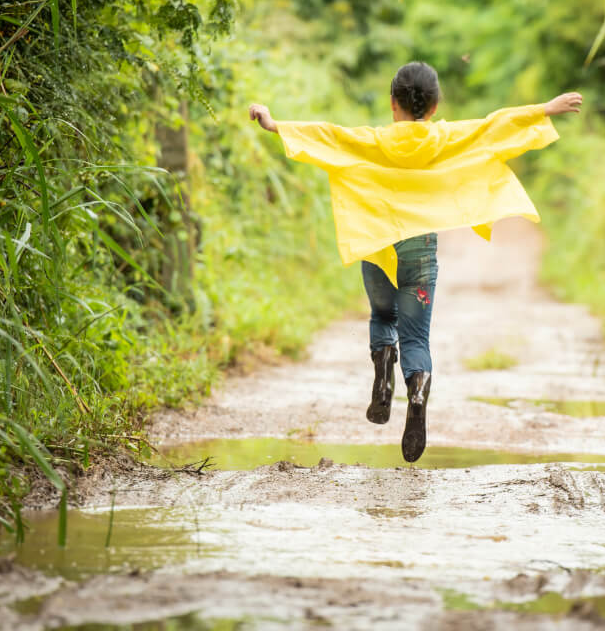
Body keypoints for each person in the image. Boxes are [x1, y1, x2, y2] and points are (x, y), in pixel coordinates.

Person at [249, 61, 582, 462]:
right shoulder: (446, 138)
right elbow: (492, 125)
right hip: (420, 251)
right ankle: (418, 390)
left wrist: (274, 124)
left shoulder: (371, 141)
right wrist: (544, 108)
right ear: (436, 104)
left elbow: (327, 135)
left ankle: (383, 369)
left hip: (379, 246)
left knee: (382, 318)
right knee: (417, 338)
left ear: (393, 104)